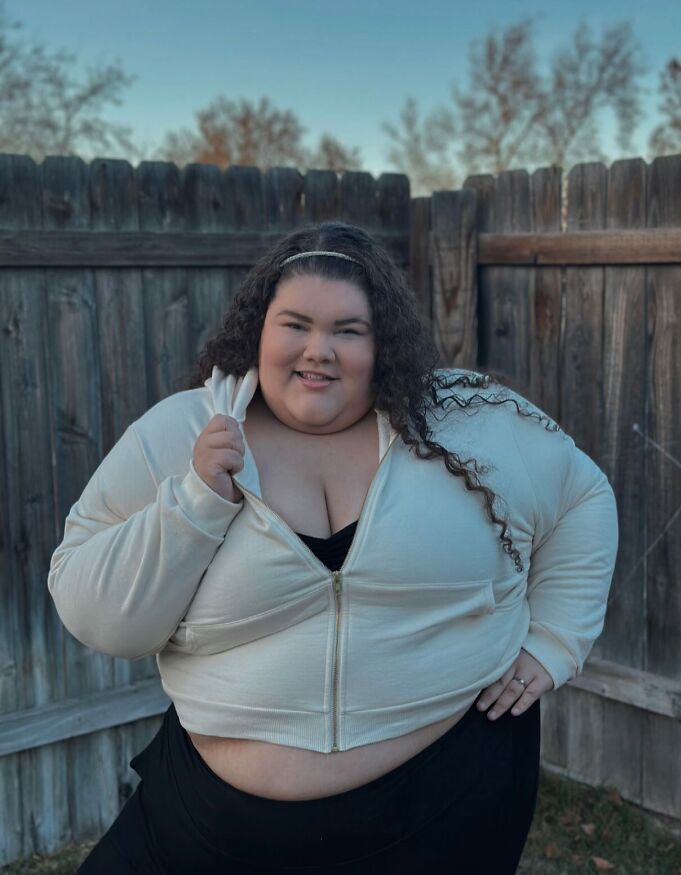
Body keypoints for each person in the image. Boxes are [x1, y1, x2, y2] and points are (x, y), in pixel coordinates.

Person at [48, 220, 619, 873]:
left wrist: (554, 641)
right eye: (296, 324)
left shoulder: (471, 421)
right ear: (258, 329)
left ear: (385, 343)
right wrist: (197, 502)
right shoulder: (180, 433)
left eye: (348, 330)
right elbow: (95, 612)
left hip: (446, 808)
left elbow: (582, 496)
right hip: (211, 825)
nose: (319, 349)